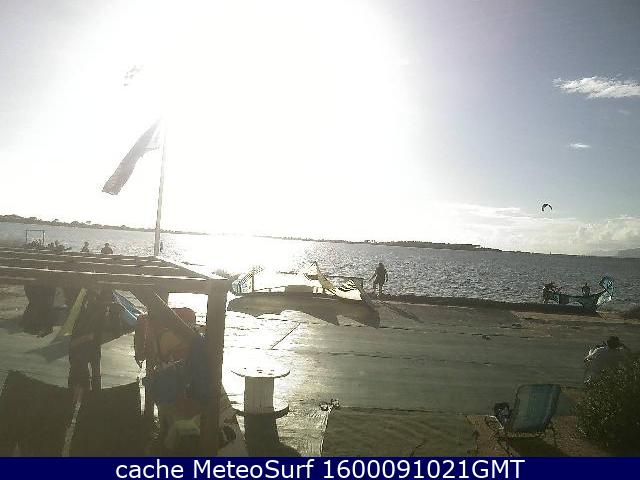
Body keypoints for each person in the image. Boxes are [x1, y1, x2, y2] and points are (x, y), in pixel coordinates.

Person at [68, 289, 111, 401]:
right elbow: (74, 342)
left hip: (87, 348)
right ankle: (93, 397)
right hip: (85, 348)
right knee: (87, 373)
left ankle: (89, 396)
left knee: (88, 373)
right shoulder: (90, 314)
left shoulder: (91, 313)